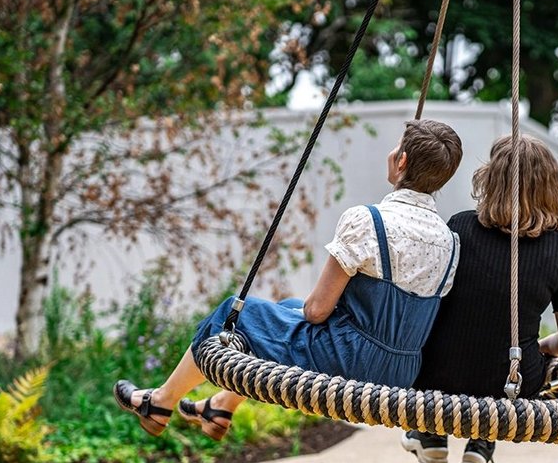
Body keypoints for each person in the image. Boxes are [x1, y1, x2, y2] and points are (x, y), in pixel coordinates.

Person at [114, 120, 463, 441]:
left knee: (234, 316)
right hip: (401, 373)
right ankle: (222, 406)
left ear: (401, 162)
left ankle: (160, 402)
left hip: (350, 363)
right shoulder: (450, 241)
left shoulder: (367, 220)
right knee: (285, 310)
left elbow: (316, 312)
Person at [401, 134, 558, 463]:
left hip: (439, 373)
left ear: (489, 179)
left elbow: (431, 297)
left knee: (440, 338)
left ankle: (430, 435)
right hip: (511, 378)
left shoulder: (459, 226)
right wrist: (543, 348)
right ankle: (482, 446)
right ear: (552, 186)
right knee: (509, 359)